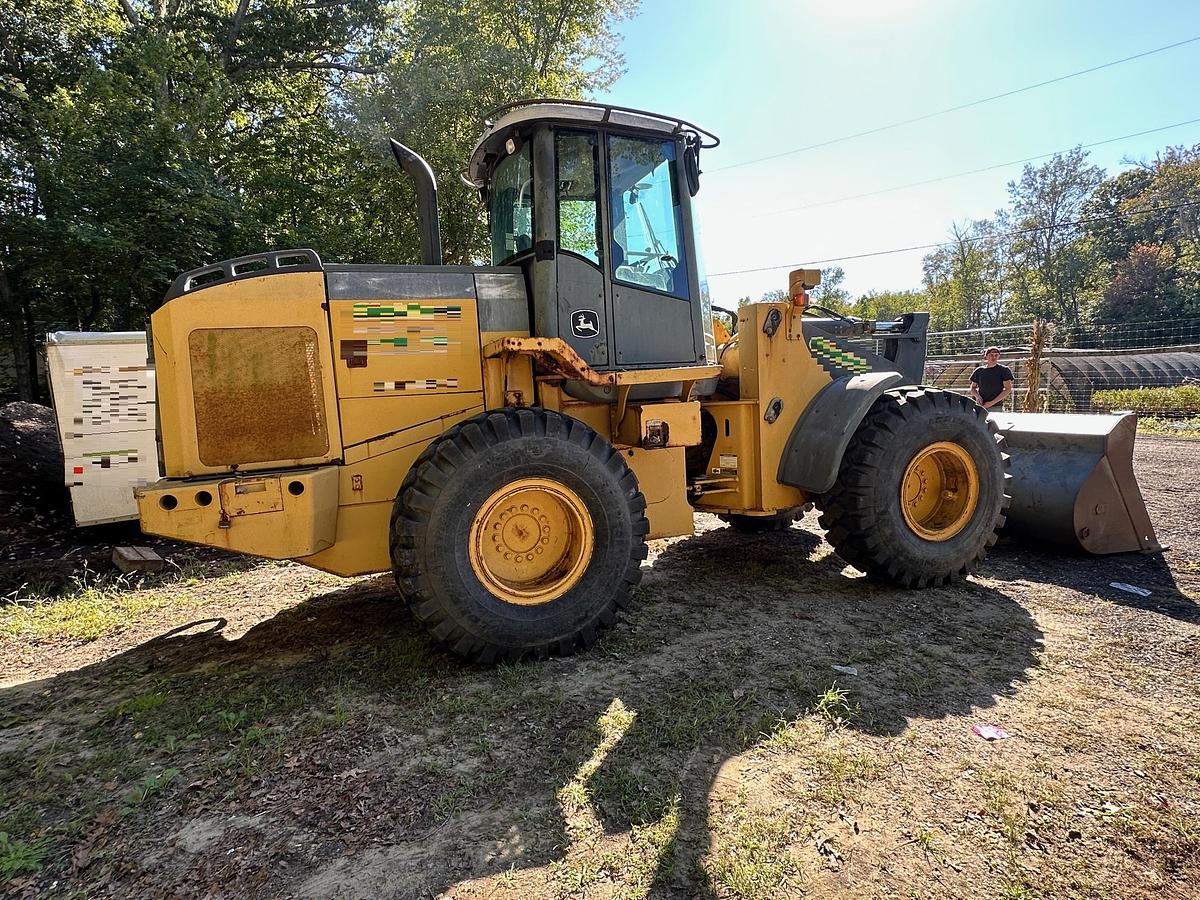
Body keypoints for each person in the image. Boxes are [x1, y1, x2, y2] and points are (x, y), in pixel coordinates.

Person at [968, 346, 1014, 411]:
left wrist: (991, 403)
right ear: (986, 356)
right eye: (991, 355)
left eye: (996, 355)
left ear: (999, 356)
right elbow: (973, 388)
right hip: (980, 405)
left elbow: (1008, 389)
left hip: (996, 406)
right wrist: (977, 397)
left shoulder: (1004, 370)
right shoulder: (979, 370)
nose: (994, 357)